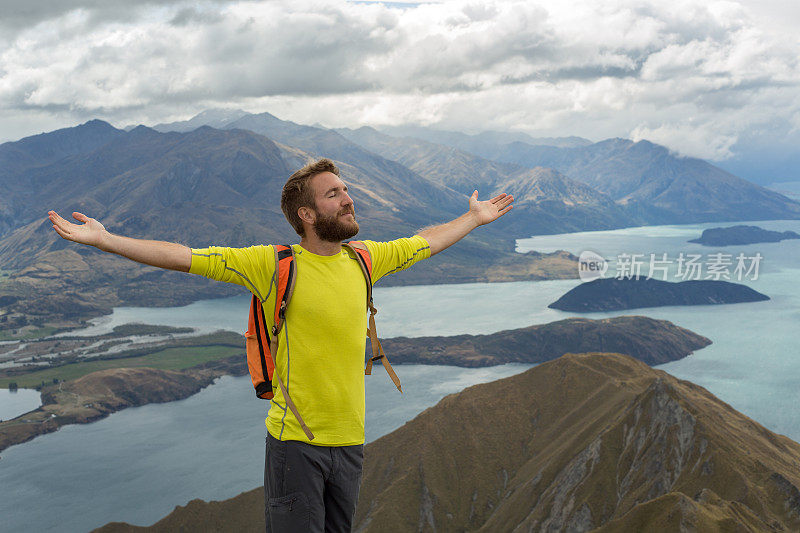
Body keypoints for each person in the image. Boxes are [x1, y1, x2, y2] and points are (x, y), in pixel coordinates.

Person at [47, 157, 513, 532]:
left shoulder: (365, 259)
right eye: (335, 194)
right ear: (307, 215)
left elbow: (422, 242)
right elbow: (185, 257)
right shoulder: (273, 265)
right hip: (296, 444)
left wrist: (473, 218)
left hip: (350, 442)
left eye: (346, 190)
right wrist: (106, 240)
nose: (349, 200)